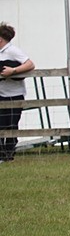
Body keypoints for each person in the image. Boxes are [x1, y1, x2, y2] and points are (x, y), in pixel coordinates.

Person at [0, 22, 35, 163]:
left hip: (14, 94)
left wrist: (13, 71)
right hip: (1, 94)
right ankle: (1, 155)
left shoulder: (13, 51)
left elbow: (30, 64)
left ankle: (9, 155)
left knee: (11, 125)